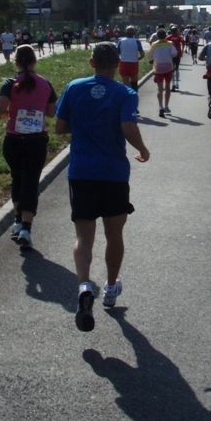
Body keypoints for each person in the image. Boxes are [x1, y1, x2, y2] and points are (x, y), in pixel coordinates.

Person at [54, 42, 150, 332]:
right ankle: (109, 288)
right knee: (114, 234)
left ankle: (84, 285)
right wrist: (143, 149)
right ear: (119, 64)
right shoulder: (125, 93)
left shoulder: (74, 87)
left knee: (84, 238)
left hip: (81, 172)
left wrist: (85, 125)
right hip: (113, 174)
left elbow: (60, 127)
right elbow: (128, 127)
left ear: (91, 62)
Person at [0, 45, 58, 250]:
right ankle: (25, 228)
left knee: (17, 179)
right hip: (36, 141)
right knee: (31, 183)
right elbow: (51, 113)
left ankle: (17, 221)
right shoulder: (45, 83)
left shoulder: (10, 83)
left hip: (13, 140)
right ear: (34, 61)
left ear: (16, 61)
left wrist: (12, 110)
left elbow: (0, 107)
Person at [148, 28, 177, 118]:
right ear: (165, 35)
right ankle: (166, 106)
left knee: (160, 89)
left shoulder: (154, 44)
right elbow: (174, 53)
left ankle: (160, 106)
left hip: (158, 67)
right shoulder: (170, 43)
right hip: (168, 67)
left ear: (157, 36)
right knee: (167, 87)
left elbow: (150, 57)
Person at [116, 26, 145, 95]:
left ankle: (126, 97)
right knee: (134, 82)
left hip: (123, 63)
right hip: (133, 63)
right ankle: (134, 95)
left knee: (125, 82)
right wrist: (138, 58)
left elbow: (116, 53)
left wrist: (120, 59)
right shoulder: (137, 41)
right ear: (134, 32)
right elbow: (142, 54)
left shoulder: (121, 41)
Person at [165, 25, 185, 90]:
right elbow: (183, 43)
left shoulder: (168, 37)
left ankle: (173, 83)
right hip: (177, 54)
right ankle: (177, 83)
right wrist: (182, 51)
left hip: (170, 55)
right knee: (177, 68)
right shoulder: (179, 37)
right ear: (177, 30)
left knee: (172, 69)